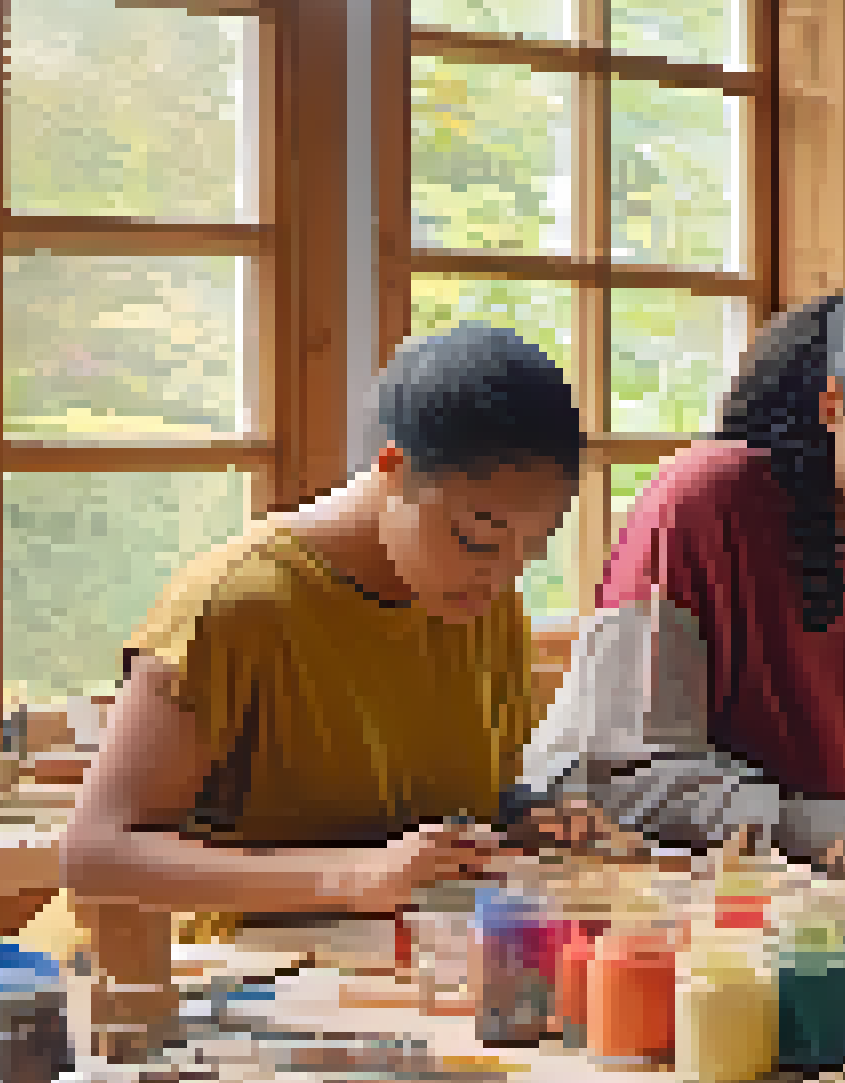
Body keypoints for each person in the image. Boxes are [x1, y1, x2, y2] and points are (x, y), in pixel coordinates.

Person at [60, 322, 580, 958]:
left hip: (367, 973)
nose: (500, 577)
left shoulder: (485, 606)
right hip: (189, 986)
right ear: (392, 471)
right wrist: (356, 877)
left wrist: (528, 821)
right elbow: (95, 857)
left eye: (531, 549)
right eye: (477, 539)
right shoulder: (237, 604)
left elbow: (443, 803)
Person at [518, 255, 845, 865]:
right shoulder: (700, 501)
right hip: (663, 892)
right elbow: (622, 781)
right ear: (833, 405)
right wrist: (833, 826)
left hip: (837, 895)